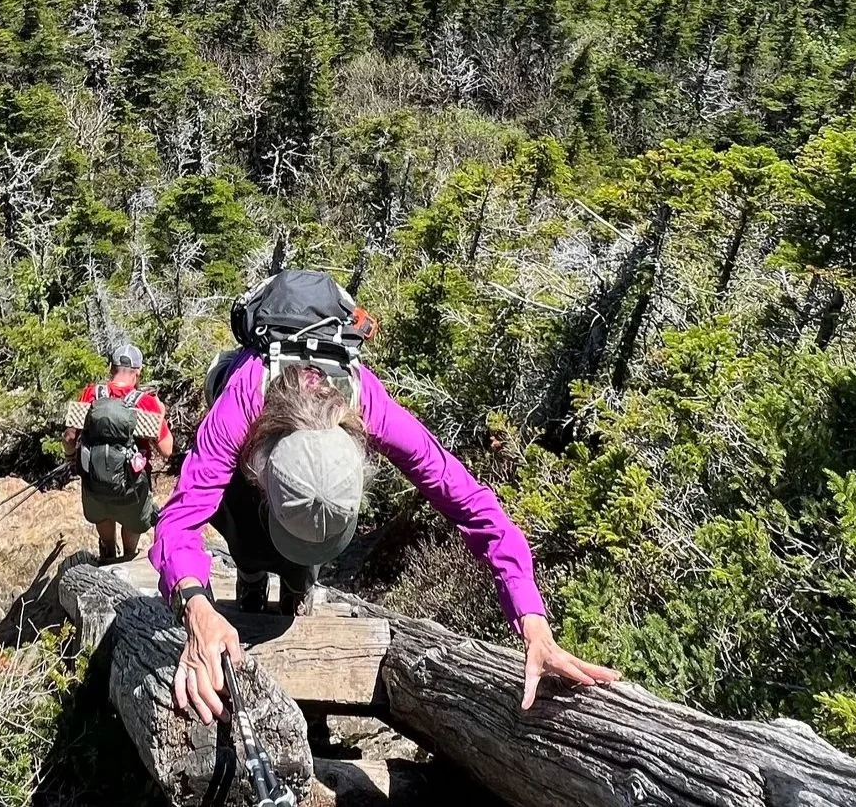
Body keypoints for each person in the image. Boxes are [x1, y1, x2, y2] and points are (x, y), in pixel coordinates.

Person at [151, 270, 620, 722]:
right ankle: (251, 571)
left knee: (296, 562)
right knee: (239, 527)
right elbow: (181, 518)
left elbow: (470, 503)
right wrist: (196, 604)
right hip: (248, 473)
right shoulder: (243, 400)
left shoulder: (366, 401)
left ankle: (293, 578)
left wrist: (532, 619)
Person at [65, 342, 172, 563]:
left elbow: (69, 438)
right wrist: (161, 414)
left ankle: (107, 551)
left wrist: (70, 459)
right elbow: (167, 450)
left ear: (111, 368)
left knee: (102, 513)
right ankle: (128, 557)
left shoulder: (91, 394)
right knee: (132, 523)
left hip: (95, 486)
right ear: (138, 372)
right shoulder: (146, 403)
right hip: (131, 491)